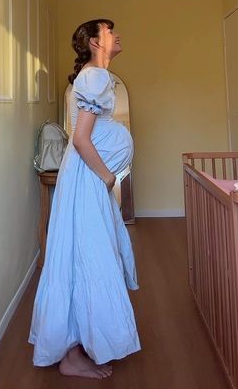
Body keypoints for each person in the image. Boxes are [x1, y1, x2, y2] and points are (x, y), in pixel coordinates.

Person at [28, 19, 141, 379]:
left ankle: (76, 348)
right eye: (111, 30)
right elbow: (81, 139)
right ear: (96, 41)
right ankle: (75, 352)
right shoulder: (95, 77)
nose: (118, 34)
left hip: (85, 179)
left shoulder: (95, 76)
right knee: (89, 255)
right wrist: (108, 176)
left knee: (81, 254)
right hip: (89, 177)